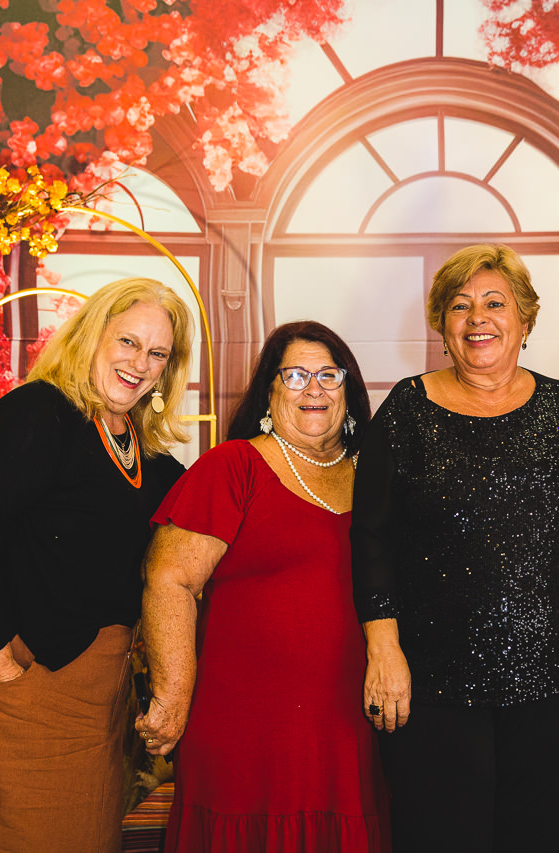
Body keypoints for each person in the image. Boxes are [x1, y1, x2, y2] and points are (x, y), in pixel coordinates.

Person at [0, 277, 195, 853]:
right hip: (6, 672)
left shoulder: (151, 459)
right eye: (128, 342)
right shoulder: (39, 414)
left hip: (88, 698)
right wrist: (1, 672)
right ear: (91, 336)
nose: (140, 363)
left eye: (158, 353)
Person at [351, 244, 559, 853]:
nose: (478, 318)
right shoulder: (405, 412)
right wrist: (383, 648)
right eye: (460, 305)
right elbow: (371, 541)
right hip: (433, 684)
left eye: (495, 303)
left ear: (524, 320)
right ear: (442, 326)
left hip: (556, 677)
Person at [136, 321, 388, 852]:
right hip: (246, 728)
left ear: (350, 390)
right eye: (295, 375)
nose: (314, 388)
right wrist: (172, 695)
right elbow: (169, 579)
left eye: (329, 375)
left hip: (350, 722)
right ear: (269, 392)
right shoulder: (233, 466)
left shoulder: (377, 476)